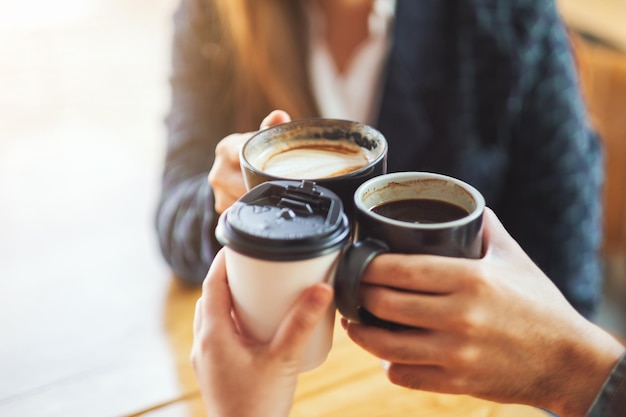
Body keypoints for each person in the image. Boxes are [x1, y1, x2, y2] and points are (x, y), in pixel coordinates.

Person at [155, 0, 603, 317]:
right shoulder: (215, 14)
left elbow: (567, 286)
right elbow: (174, 216)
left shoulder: (509, 15)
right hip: (288, 370)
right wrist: (230, 209)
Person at [191, 208, 626, 417]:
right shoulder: (218, 28)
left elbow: (573, 286)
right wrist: (220, 200)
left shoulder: (520, 30)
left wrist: (569, 368)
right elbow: (176, 202)